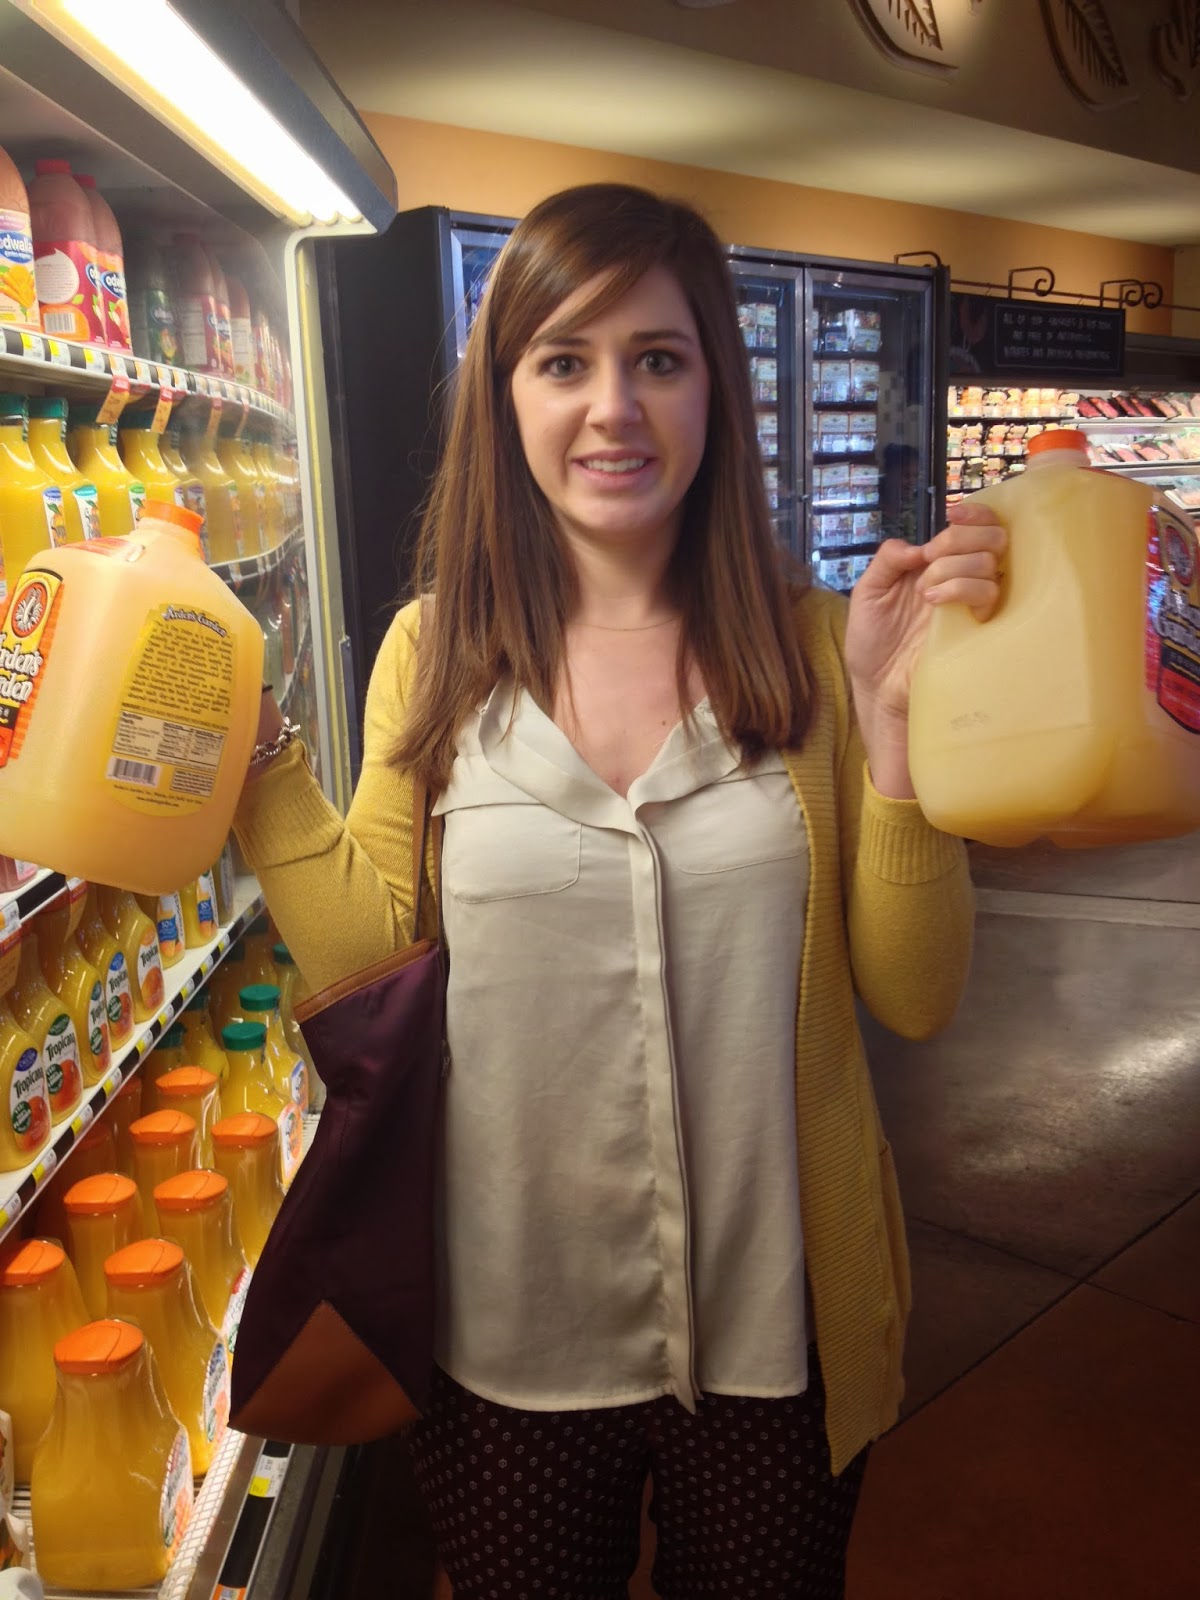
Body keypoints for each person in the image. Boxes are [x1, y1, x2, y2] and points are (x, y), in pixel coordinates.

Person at [236, 182, 1004, 1599]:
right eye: (563, 361)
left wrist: (895, 738)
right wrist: (254, 759)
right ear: (506, 397)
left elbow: (916, 994)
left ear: (717, 387)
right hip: (506, 1339)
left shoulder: (822, 650)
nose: (613, 409)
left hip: (780, 1335)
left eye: (658, 357)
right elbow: (369, 963)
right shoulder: (432, 656)